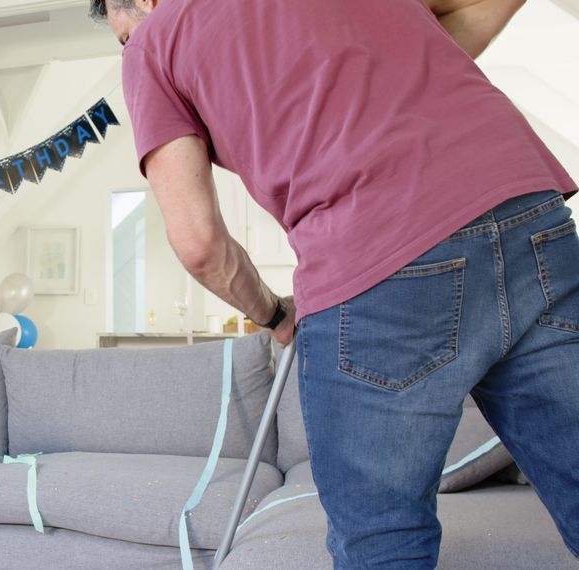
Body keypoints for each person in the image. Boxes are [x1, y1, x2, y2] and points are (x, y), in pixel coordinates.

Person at [91, 0, 579, 567]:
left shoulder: (155, 44)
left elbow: (199, 244)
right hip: (528, 209)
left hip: (376, 257)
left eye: (124, 35)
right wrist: (394, 74)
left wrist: (274, 315)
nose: (130, 46)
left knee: (382, 541)